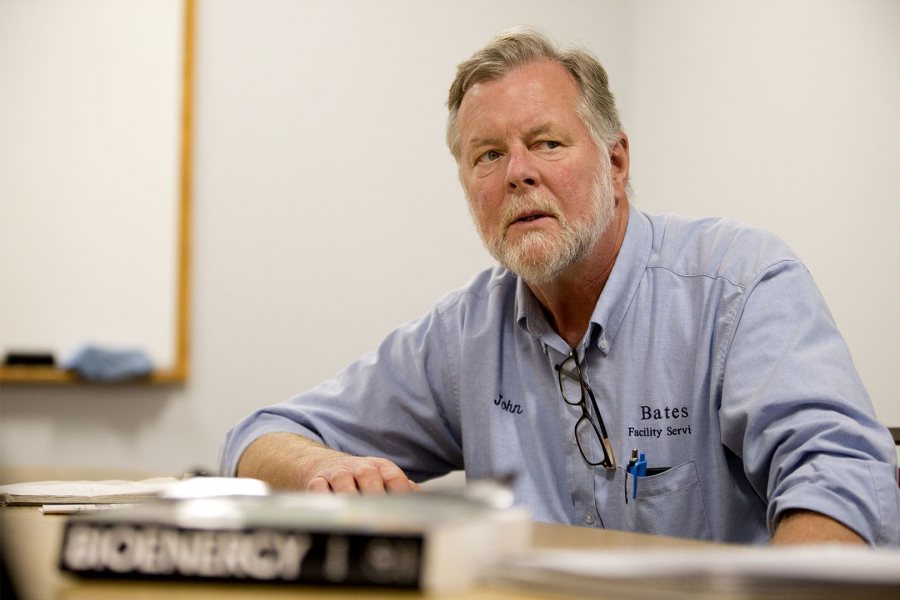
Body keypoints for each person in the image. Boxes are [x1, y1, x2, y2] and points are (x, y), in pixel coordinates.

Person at [220, 28, 900, 545]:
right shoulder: (467, 333)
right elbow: (259, 435)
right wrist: (316, 470)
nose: (517, 173)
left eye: (546, 143)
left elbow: (841, 479)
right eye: (488, 155)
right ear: (468, 189)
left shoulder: (738, 285)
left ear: (616, 160)